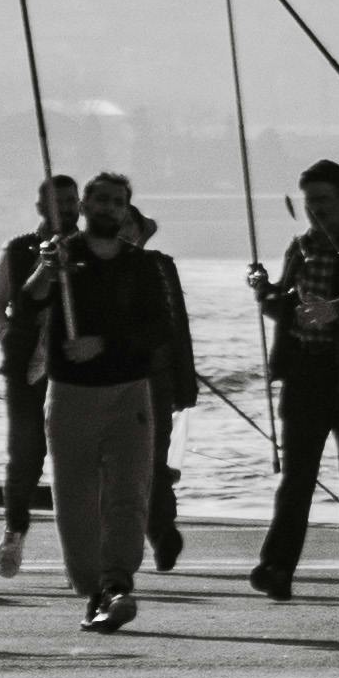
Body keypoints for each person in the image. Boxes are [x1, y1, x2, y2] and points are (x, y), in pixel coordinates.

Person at [249, 158, 339, 601]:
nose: (316, 208)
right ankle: (277, 569)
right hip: (305, 376)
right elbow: (286, 309)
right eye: (310, 201)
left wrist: (336, 308)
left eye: (324, 200)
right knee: (295, 480)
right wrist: (264, 292)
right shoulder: (299, 246)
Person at [42, 177, 175, 632]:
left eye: (118, 203)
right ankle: (94, 587)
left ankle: (118, 582)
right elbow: (22, 309)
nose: (109, 208)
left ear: (127, 212)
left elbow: (159, 330)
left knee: (128, 493)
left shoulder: (142, 266)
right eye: (101, 200)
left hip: (128, 392)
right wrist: (45, 271)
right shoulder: (60, 258)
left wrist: (105, 343)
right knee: (76, 501)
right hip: (71, 394)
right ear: (83, 205)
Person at [0, 178, 79, 573]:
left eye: (72, 202)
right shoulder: (20, 248)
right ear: (41, 205)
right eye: (58, 203)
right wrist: (9, 335)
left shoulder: (91, 248)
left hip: (76, 367)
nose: (66, 209)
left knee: (78, 455)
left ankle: (83, 543)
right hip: (27, 368)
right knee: (25, 455)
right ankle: (14, 531)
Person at [124, 197, 200, 575]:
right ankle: (148, 534)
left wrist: (183, 381)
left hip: (155, 379)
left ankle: (160, 531)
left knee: (152, 461)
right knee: (125, 463)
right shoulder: (90, 267)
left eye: (129, 227)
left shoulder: (159, 266)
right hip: (115, 378)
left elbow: (176, 328)